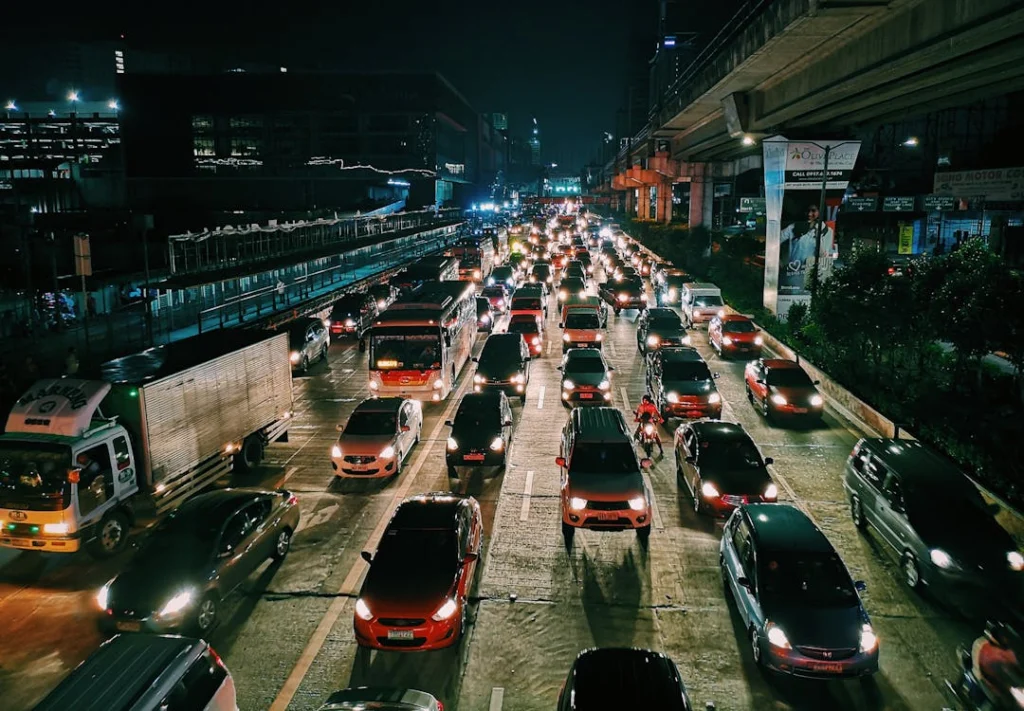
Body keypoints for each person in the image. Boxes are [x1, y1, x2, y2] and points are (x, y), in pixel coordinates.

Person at [779, 204, 835, 291]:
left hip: (811, 276)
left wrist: (818, 237)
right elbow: (775, 239)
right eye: (808, 211)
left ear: (820, 212)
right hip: (793, 274)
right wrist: (777, 261)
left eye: (813, 211)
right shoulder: (794, 227)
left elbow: (824, 256)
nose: (809, 214)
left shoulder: (827, 231)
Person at [971, 621, 1024, 710]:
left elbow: (1016, 665)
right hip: (984, 679)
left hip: (1003, 683)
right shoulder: (983, 646)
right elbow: (989, 668)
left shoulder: (1007, 651)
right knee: (1001, 702)